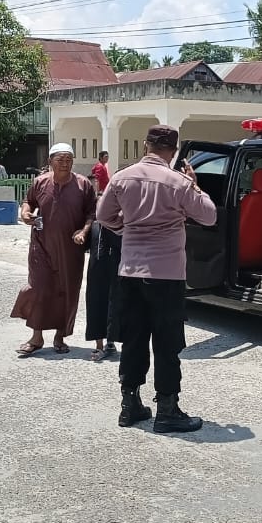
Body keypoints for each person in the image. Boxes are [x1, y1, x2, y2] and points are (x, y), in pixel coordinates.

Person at [97, 124, 216, 433]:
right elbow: (209, 215)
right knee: (167, 343)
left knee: (134, 340)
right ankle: (167, 409)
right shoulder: (179, 182)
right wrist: (195, 185)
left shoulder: (122, 178)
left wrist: (126, 229)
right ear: (173, 152)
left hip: (130, 272)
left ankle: (129, 405)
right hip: (167, 275)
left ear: (145, 146)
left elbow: (103, 216)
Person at [11, 143, 96, 357]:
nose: (65, 164)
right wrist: (25, 213)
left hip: (70, 249)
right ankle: (36, 337)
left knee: (67, 292)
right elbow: (28, 202)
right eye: (60, 160)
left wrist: (83, 231)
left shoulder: (83, 185)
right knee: (39, 289)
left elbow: (91, 214)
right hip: (41, 246)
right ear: (50, 162)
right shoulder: (40, 182)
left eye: (69, 159)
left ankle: (60, 336)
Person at [84, 219, 121, 361]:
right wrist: (80, 234)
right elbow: (84, 243)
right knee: (95, 302)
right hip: (96, 269)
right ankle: (99, 345)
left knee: (114, 304)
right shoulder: (93, 225)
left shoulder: (119, 223)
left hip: (116, 267)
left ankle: (110, 342)